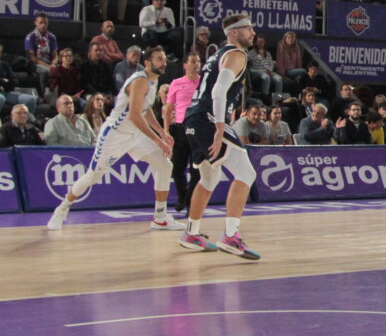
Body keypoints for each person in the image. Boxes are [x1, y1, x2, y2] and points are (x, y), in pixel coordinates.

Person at [46, 47, 179, 232]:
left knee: (165, 165)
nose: (163, 63)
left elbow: (145, 109)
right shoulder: (140, 80)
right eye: (158, 59)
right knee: (93, 176)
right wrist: (158, 140)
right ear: (147, 63)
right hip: (115, 134)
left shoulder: (153, 81)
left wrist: (162, 132)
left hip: (135, 135)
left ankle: (160, 217)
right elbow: (134, 115)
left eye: (164, 59)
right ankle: (61, 210)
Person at [180, 14, 262, 260]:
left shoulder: (217, 55)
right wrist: (218, 128)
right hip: (207, 119)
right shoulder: (236, 55)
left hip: (192, 119)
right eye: (248, 29)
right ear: (234, 32)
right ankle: (230, 236)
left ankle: (191, 233)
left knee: (208, 178)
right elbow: (218, 92)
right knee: (247, 174)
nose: (253, 33)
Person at [163, 52, 201, 214]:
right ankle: (182, 195)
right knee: (177, 167)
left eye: (198, 61)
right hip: (180, 128)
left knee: (196, 169)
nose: (196, 64)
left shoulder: (204, 83)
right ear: (185, 65)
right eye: (193, 61)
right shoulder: (176, 83)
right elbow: (168, 109)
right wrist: (166, 131)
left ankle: (190, 202)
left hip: (199, 128)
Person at [24, 12, 57, 95]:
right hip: (34, 64)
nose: (43, 25)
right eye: (41, 23)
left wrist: (53, 64)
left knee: (61, 70)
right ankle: (41, 95)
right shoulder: (30, 37)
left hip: (49, 63)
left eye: (45, 23)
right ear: (35, 23)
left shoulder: (51, 37)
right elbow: (32, 57)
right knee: (44, 71)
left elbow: (55, 54)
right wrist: (48, 66)